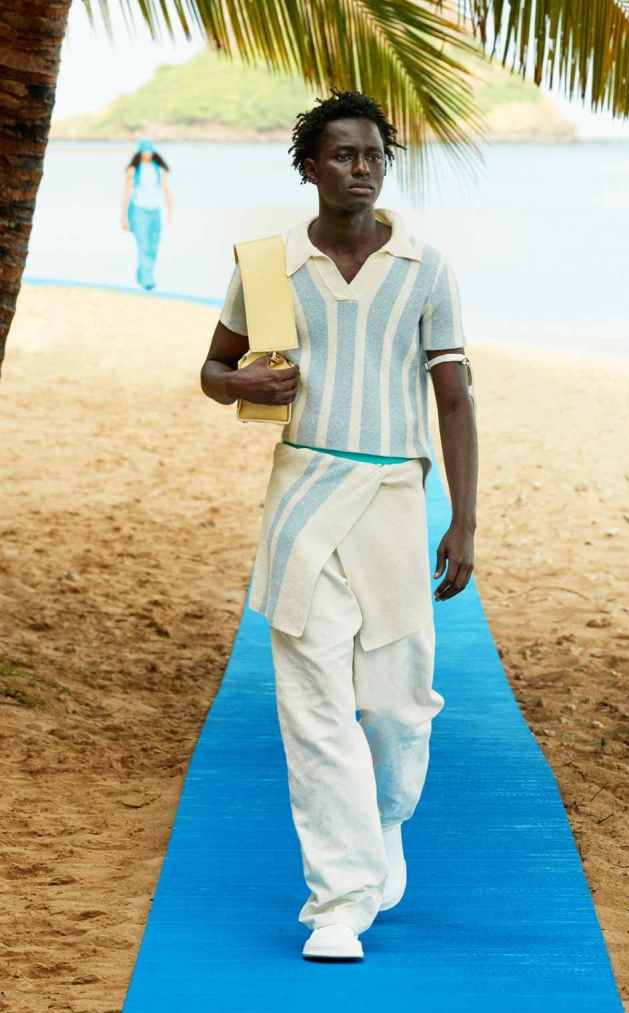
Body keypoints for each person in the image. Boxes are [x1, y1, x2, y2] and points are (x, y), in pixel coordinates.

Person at [200, 89, 478, 962]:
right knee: (313, 705)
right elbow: (213, 368)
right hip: (302, 496)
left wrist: (463, 520)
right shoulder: (268, 266)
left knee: (397, 705)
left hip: (394, 497)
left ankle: (385, 822)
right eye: (345, 155)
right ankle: (338, 902)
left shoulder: (424, 266)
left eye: (375, 156)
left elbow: (454, 396)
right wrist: (241, 385)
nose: (363, 169)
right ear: (309, 167)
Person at [121, 139, 172, 290]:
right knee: (143, 245)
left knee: (153, 246)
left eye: (149, 151)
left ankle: (143, 274)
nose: (147, 154)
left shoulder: (159, 169)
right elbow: (126, 193)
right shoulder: (133, 169)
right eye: (145, 151)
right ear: (140, 152)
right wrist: (124, 217)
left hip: (155, 211)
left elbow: (166, 190)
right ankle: (147, 280)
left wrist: (170, 211)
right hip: (138, 211)